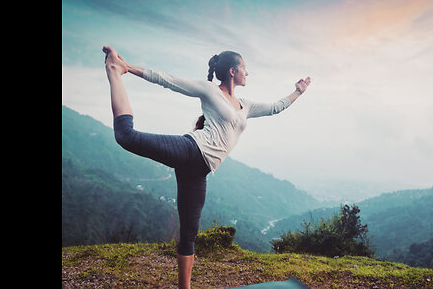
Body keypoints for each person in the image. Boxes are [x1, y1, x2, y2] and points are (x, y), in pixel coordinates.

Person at [102, 46, 311, 289]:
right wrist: (128, 68)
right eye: (244, 68)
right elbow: (167, 80)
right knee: (126, 136)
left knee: (189, 233)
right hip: (190, 149)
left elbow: (277, 107)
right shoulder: (210, 90)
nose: (247, 72)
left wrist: (298, 91)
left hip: (200, 170)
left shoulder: (247, 105)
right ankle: (114, 72)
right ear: (232, 71)